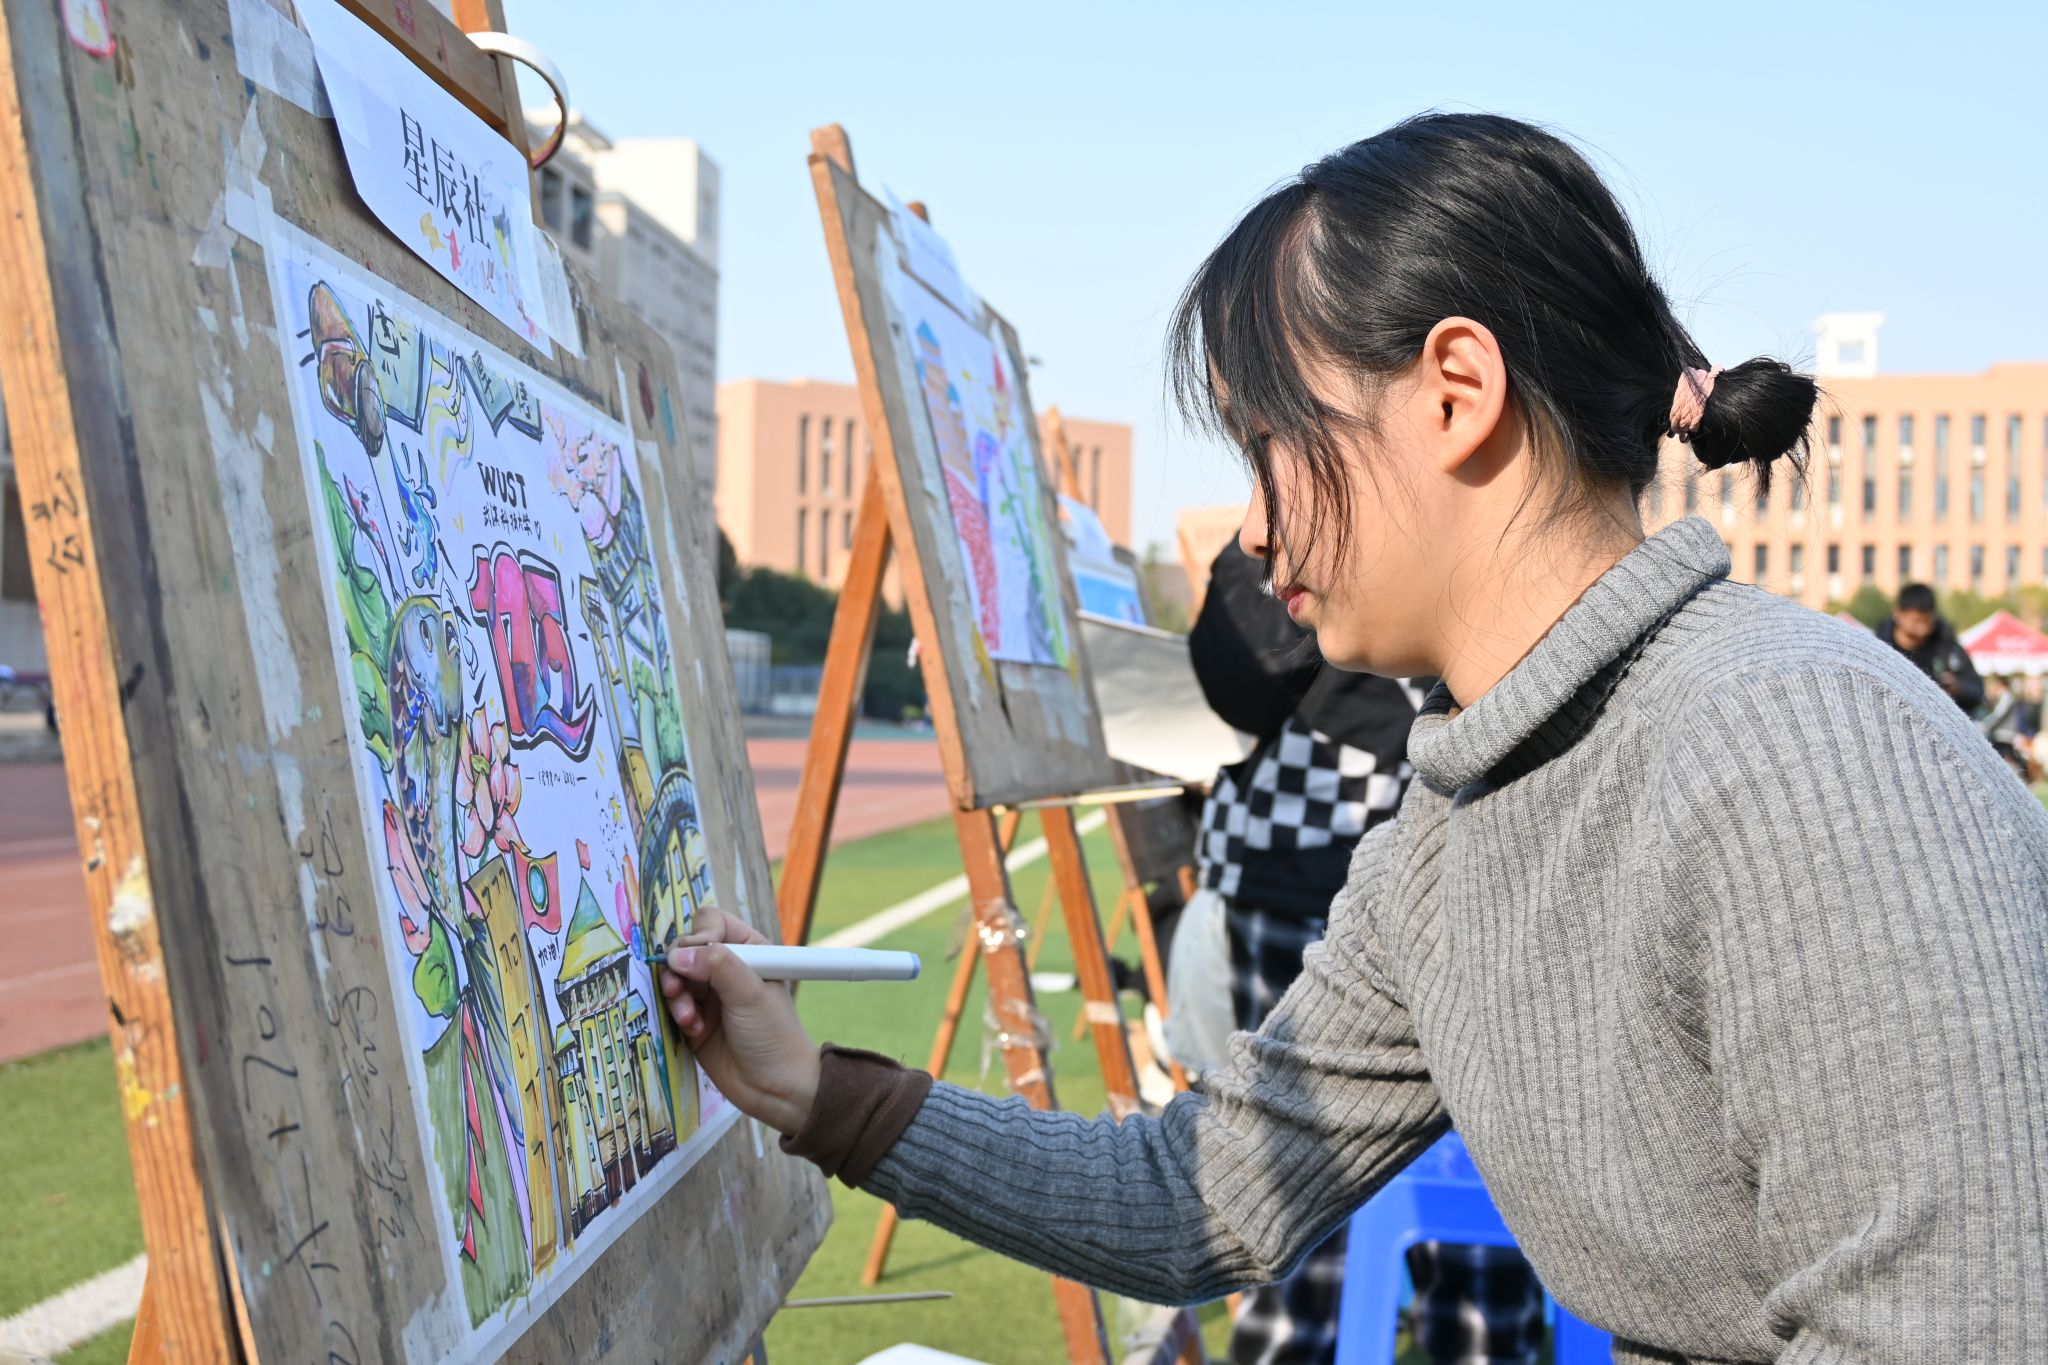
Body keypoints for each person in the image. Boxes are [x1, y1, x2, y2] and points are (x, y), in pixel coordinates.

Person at [663, 114, 2048, 1363]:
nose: (1255, 527)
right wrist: (813, 1092)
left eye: (1271, 442)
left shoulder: (1799, 752)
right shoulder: (1455, 817)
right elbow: (1198, 1195)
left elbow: (1952, 1329)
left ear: (1455, 391)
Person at [1189, 542, 1535, 1364]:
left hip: (1325, 859)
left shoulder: (1327, 523)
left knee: (1298, 1179)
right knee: (1458, 1182)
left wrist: (1246, 563)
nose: (1258, 527)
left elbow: (1237, 680)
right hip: (1427, 859)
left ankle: (1304, 1340)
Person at [1878, 582, 1983, 711]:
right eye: (1916, 620)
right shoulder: (1880, 648)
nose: (1922, 627)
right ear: (1898, 614)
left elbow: (1977, 691)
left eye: (1927, 620)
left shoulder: (1947, 647)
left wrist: (1958, 689)